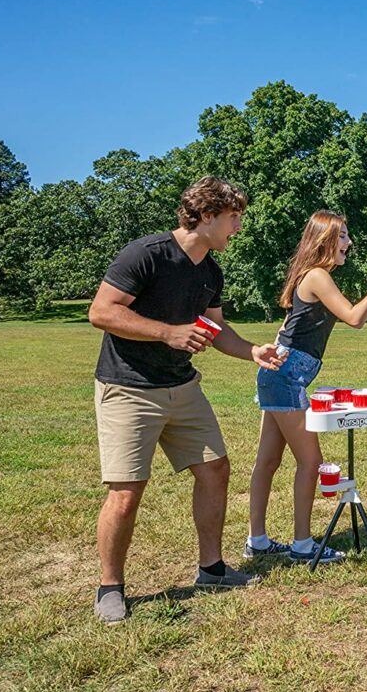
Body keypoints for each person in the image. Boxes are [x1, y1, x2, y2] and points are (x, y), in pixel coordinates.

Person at [88, 176, 286, 624]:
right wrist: (168, 332)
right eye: (234, 218)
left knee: (215, 468)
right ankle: (110, 587)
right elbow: (101, 312)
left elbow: (215, 330)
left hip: (182, 387)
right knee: (126, 492)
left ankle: (211, 569)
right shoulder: (147, 254)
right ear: (208, 214)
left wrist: (252, 351)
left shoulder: (210, 270)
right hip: (129, 387)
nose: (238, 227)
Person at [246, 211, 367, 563]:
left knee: (267, 461)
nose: (349, 242)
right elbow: (355, 318)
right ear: (324, 239)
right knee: (310, 460)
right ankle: (302, 544)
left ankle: (258, 540)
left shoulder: (309, 275)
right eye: (343, 235)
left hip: (279, 374)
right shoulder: (317, 275)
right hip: (286, 377)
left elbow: (287, 327)